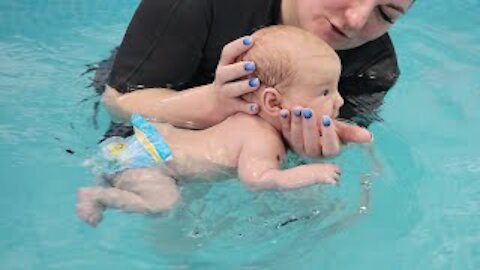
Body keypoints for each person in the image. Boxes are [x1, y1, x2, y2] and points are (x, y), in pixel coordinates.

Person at [77, 26, 368, 227]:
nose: (339, 100)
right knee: (164, 205)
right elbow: (258, 180)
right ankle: (98, 196)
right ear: (274, 103)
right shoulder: (262, 137)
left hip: (145, 143)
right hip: (151, 161)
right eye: (325, 92)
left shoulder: (242, 117)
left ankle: (105, 182)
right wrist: (310, 172)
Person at [97, 0, 414, 158]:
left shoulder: (371, 69)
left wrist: (303, 155)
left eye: (385, 14)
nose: (357, 19)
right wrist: (210, 104)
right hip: (160, 96)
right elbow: (118, 101)